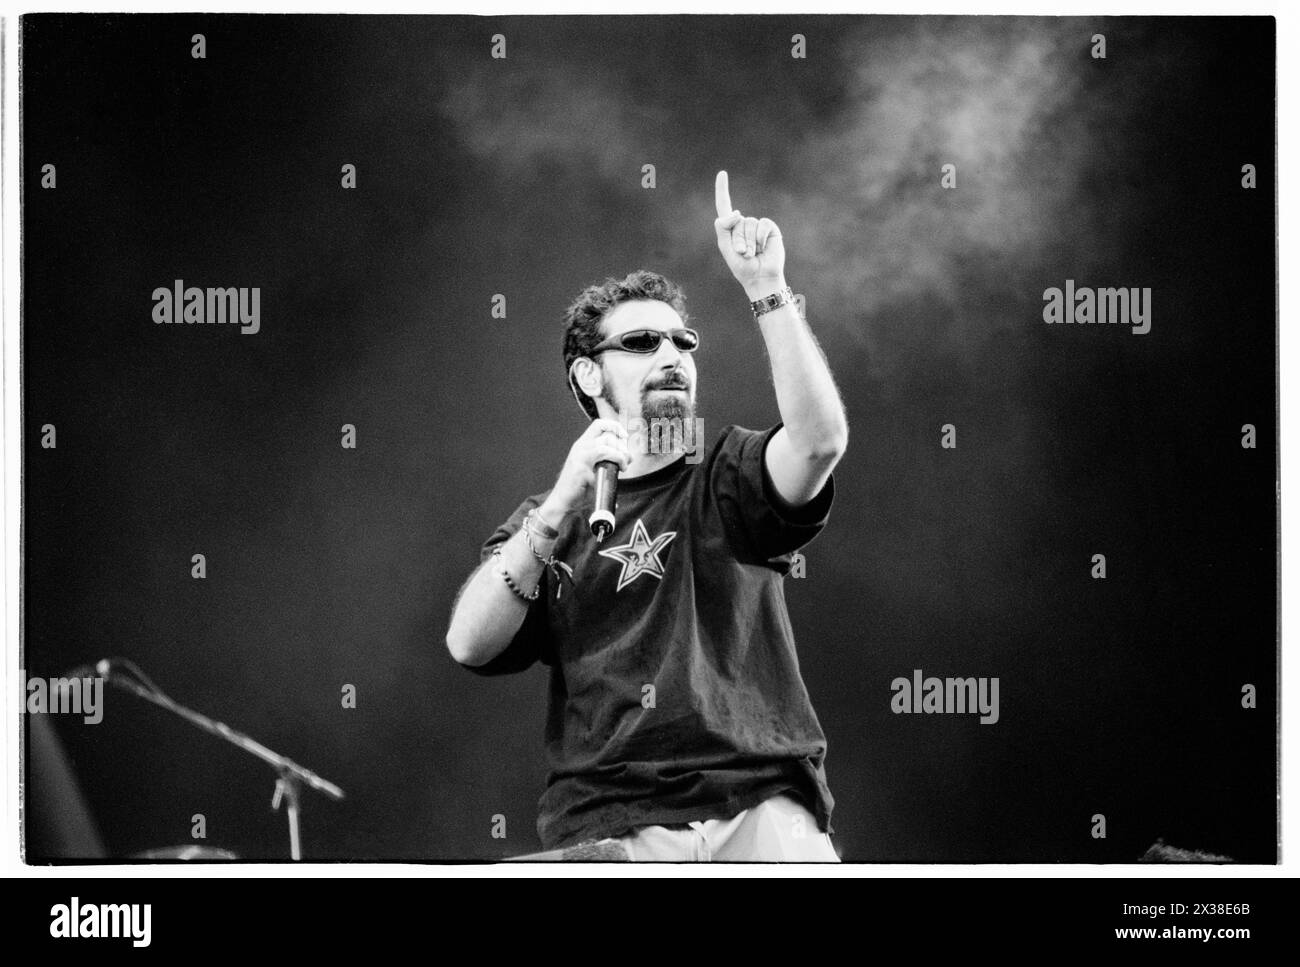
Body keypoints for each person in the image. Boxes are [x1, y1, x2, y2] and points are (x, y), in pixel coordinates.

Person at [445, 172, 849, 861]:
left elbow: (818, 442)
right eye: (642, 344)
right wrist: (549, 518)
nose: (672, 357)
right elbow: (468, 643)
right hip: (611, 824)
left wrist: (767, 289)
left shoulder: (728, 473)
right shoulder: (550, 522)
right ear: (588, 376)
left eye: (682, 343)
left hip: (757, 811)